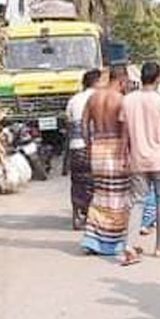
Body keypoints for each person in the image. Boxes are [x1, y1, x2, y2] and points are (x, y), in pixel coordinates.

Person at [122, 61, 160, 263]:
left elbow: (125, 134)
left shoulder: (128, 101)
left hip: (138, 160)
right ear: (157, 78)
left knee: (136, 203)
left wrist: (124, 156)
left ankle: (130, 246)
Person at [80, 67, 132, 257]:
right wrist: (126, 152)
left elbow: (84, 124)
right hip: (115, 147)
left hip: (98, 146)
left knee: (100, 193)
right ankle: (113, 242)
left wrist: (88, 145)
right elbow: (125, 129)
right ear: (122, 80)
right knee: (117, 196)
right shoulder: (120, 100)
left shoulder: (93, 98)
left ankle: (94, 238)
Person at [66, 69, 103, 230]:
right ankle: (93, 217)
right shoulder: (100, 98)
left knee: (77, 182)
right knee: (96, 183)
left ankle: (77, 216)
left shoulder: (74, 100)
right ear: (97, 82)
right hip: (95, 146)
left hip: (76, 147)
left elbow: (68, 122)